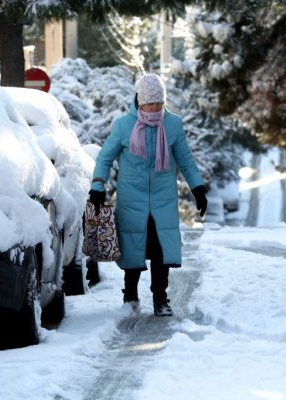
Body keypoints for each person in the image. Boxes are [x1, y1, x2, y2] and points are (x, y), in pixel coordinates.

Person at [89, 74, 208, 316]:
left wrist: (197, 188)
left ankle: (160, 298)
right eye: (150, 104)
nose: (155, 109)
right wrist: (98, 186)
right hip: (132, 198)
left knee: (160, 250)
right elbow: (105, 157)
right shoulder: (124, 125)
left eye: (159, 104)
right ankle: (130, 295)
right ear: (140, 102)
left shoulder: (172, 124)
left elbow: (184, 159)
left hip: (163, 198)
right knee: (133, 247)